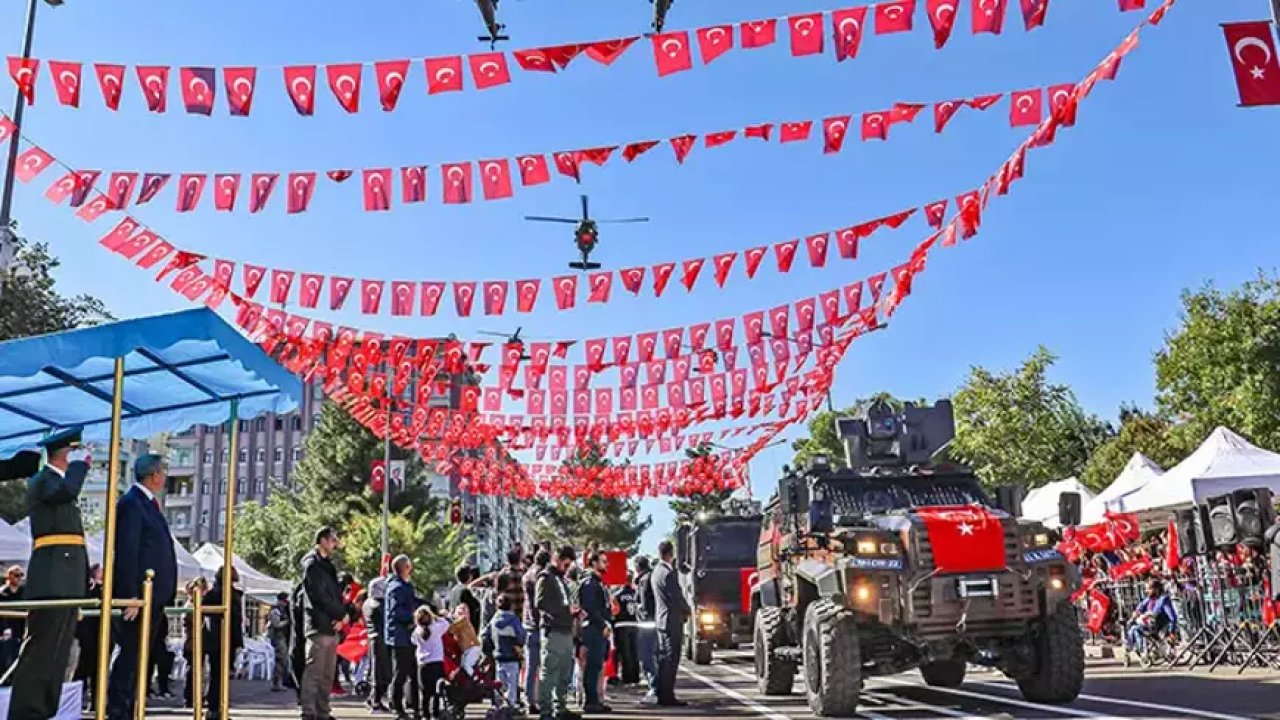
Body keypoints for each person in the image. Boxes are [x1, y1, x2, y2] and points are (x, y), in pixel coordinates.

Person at [7, 427, 91, 720]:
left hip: (66, 574)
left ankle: (44, 708)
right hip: (53, 573)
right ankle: (26, 710)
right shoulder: (44, 481)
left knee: (59, 647)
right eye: (75, 452)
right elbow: (66, 492)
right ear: (67, 452)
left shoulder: (58, 483)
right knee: (43, 647)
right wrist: (80, 467)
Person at [107, 453, 179, 720]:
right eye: (162, 471)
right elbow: (127, 552)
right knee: (130, 656)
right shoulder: (132, 504)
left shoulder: (149, 505)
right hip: (139, 597)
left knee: (139, 658)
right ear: (154, 475)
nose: (164, 476)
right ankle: (118, 712)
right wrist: (130, 595)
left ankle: (131, 709)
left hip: (155, 597)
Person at [300, 526, 347, 720]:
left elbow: (334, 595)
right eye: (333, 540)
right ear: (322, 540)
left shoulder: (327, 565)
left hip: (331, 626)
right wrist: (339, 614)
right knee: (315, 673)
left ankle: (322, 711)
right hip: (319, 625)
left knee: (327, 674)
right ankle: (309, 713)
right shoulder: (312, 565)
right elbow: (318, 596)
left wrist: (343, 616)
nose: (335, 544)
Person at [535, 545, 579, 720]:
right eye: (565, 564)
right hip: (553, 630)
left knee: (564, 672)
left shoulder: (561, 579)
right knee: (549, 672)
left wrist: (573, 611)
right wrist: (565, 610)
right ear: (557, 559)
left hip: (565, 629)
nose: (567, 568)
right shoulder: (545, 578)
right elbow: (540, 603)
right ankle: (546, 711)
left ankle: (560, 707)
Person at [651, 540, 690, 707]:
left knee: (663, 659)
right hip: (671, 620)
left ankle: (661, 691)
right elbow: (676, 596)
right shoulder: (669, 573)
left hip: (661, 619)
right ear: (671, 554)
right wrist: (687, 609)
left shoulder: (656, 572)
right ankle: (667, 695)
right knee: (670, 659)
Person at [203, 567, 244, 720]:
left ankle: (215, 708)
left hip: (215, 638)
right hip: (225, 638)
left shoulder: (214, 593)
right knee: (220, 675)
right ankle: (216, 708)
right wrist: (238, 642)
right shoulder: (229, 595)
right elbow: (235, 622)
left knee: (217, 674)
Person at [385, 555, 420, 720]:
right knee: (401, 672)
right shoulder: (396, 588)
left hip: (409, 636)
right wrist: (413, 617)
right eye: (409, 566)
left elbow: (414, 602)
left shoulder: (405, 587)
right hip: (400, 637)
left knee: (413, 672)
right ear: (404, 568)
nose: (411, 569)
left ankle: (414, 705)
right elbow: (395, 612)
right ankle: (397, 706)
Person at [578, 552, 612, 713]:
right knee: (592, 666)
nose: (607, 565)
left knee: (597, 664)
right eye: (603, 561)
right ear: (593, 563)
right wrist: (602, 624)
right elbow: (590, 608)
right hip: (593, 629)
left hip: (599, 629)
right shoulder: (589, 583)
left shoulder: (599, 583)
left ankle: (595, 700)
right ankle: (590, 701)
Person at [485, 593, 528, 709]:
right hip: (512, 656)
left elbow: (485, 635)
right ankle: (511, 705)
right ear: (511, 606)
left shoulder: (493, 620)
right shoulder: (514, 620)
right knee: (512, 682)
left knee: (499, 682)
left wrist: (490, 648)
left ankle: (498, 705)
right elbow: (521, 636)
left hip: (498, 655)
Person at [73, 564, 104, 711]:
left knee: (98, 670)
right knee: (82, 670)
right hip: (87, 634)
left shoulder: (105, 588)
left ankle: (96, 702)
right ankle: (75, 701)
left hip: (101, 634)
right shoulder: (90, 588)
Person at [523, 548, 550, 715]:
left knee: (531, 666)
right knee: (543, 666)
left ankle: (529, 699)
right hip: (539, 624)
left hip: (527, 622)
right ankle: (540, 699)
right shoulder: (541, 576)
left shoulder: (527, 574)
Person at [411, 605, 450, 720]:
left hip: (423, 663)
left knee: (425, 692)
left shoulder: (417, 631)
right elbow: (446, 624)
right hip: (437, 661)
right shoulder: (437, 628)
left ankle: (425, 714)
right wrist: (438, 616)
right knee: (437, 690)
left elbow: (413, 641)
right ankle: (435, 713)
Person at [1125, 578, 1178, 656]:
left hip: (1159, 626)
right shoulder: (1148, 599)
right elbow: (1140, 608)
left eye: (1149, 589)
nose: (1146, 591)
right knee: (1131, 625)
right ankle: (1134, 647)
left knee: (1134, 629)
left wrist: (1172, 632)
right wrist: (1135, 614)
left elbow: (1172, 617)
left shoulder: (1163, 600)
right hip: (1148, 624)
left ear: (1156, 589)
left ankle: (1139, 649)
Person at [362, 577, 391, 711]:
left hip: (373, 638)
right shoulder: (378, 605)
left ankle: (373, 698)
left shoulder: (367, 603)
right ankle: (375, 700)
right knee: (380, 671)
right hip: (380, 639)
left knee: (376, 669)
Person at [633, 556, 658, 703]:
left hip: (647, 624)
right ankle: (654, 687)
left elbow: (643, 604)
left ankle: (653, 689)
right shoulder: (651, 577)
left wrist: (639, 612)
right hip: (653, 622)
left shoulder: (644, 580)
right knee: (652, 657)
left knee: (648, 657)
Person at [611, 571, 639, 686]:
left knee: (625, 652)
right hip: (635, 624)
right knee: (634, 651)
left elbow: (614, 611)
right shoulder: (636, 594)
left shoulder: (617, 595)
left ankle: (627, 677)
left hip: (621, 625)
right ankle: (635, 676)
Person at [0, 565, 26, 678]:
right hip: (5, 632)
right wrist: (4, 628)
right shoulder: (2, 593)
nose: (19, 578)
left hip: (19, 630)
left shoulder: (23, 593)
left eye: (21, 575)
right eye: (16, 575)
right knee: (5, 659)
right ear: (9, 576)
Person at [268, 592, 293, 692]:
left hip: (282, 637)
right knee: (281, 660)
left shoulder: (282, 609)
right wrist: (288, 622)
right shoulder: (275, 610)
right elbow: (276, 624)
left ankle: (280, 682)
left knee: (283, 660)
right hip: (278, 638)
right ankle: (276, 683)